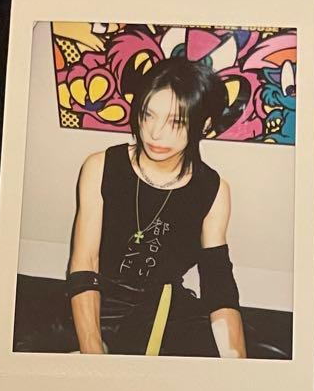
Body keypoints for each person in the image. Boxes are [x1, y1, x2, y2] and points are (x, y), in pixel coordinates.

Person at [64, 56, 247, 358]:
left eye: (176, 122)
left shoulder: (214, 190)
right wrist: (93, 352)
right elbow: (85, 262)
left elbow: (218, 285)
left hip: (164, 308)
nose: (155, 133)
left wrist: (236, 360)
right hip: (93, 298)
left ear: (205, 124)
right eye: (148, 115)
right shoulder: (100, 166)